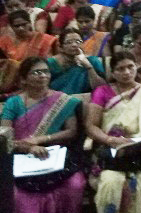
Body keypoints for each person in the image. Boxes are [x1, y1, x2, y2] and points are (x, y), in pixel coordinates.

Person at [85, 51, 141, 213]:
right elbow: (91, 126)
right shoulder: (102, 92)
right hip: (112, 149)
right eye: (120, 69)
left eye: (130, 67)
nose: (126, 72)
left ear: (136, 67)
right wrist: (110, 140)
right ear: (113, 72)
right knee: (111, 182)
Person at [1, 57, 86, 213]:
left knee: (75, 184)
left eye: (46, 71)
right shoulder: (13, 103)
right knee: (20, 196)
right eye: (36, 72)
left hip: (54, 155)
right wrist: (29, 148)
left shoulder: (61, 100)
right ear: (24, 79)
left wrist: (41, 139)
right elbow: (5, 136)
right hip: (21, 155)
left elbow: (71, 132)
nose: (43, 75)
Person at [47, 28, 106, 94]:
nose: (74, 45)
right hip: (58, 98)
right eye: (69, 42)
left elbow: (102, 88)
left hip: (85, 98)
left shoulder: (92, 61)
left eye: (78, 41)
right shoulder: (50, 63)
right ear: (61, 47)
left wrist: (89, 67)